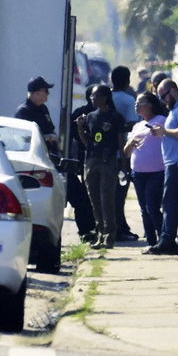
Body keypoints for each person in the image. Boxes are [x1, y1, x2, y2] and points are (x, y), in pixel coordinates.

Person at [147, 79, 178, 255]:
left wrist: (164, 131)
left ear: (173, 90)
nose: (163, 100)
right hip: (176, 162)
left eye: (164, 96)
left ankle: (167, 240)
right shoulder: (176, 109)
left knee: (169, 202)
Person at [75, 84, 125, 248]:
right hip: (91, 160)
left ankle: (109, 236)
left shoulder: (115, 117)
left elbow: (120, 142)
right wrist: (80, 128)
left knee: (107, 199)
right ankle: (100, 234)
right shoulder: (90, 116)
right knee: (94, 199)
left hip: (108, 161)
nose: (92, 99)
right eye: (91, 97)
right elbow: (87, 142)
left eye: (95, 96)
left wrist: (123, 164)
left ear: (104, 98)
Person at [123, 91, 167, 248]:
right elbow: (126, 152)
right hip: (138, 173)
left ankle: (164, 240)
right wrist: (130, 143)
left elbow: (165, 134)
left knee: (152, 207)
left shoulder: (161, 120)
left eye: (139, 103)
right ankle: (151, 241)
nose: (136, 106)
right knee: (144, 209)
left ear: (150, 106)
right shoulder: (137, 126)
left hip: (156, 172)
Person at [64, 84, 97, 239]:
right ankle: (87, 229)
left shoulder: (107, 113)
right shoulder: (80, 113)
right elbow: (70, 137)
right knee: (85, 195)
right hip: (84, 158)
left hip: (104, 158)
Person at [109, 66, 139, 241]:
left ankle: (114, 226)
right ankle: (120, 227)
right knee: (120, 193)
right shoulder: (128, 101)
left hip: (104, 154)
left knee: (107, 194)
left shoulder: (104, 98)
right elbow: (133, 126)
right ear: (128, 81)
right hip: (122, 154)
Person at [15, 75, 59, 152]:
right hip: (33, 155)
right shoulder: (23, 111)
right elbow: (23, 138)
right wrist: (47, 137)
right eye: (46, 91)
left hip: (48, 155)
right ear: (37, 93)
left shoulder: (43, 108)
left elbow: (51, 130)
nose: (48, 94)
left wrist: (54, 137)